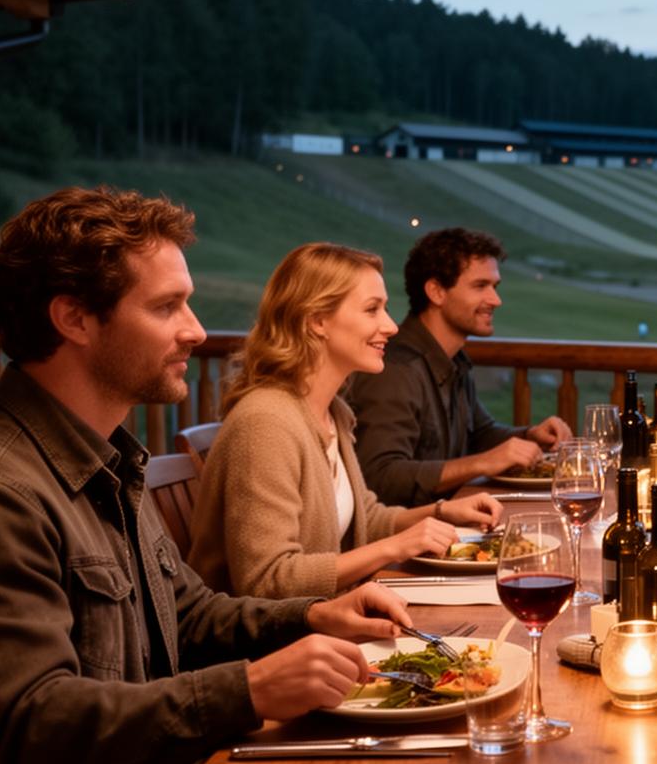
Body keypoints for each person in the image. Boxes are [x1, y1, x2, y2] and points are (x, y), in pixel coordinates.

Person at [0, 188, 417, 764]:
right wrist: (248, 692)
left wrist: (314, 615)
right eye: (165, 307)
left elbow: (188, 614)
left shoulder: (104, 460)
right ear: (74, 318)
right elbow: (26, 735)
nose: (196, 331)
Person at [188, 242, 503, 598]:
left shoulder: (332, 412)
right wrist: (394, 547)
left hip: (324, 619)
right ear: (317, 320)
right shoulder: (266, 423)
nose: (391, 326)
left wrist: (443, 512)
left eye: (385, 309)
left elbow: (367, 518)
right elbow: (268, 580)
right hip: (274, 633)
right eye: (372, 310)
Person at [346, 227, 570, 505]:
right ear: (436, 291)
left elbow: (481, 433)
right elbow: (380, 477)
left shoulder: (453, 359)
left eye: (495, 287)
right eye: (480, 286)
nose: (496, 300)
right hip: (410, 529)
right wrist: (481, 463)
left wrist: (530, 435)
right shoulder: (394, 369)